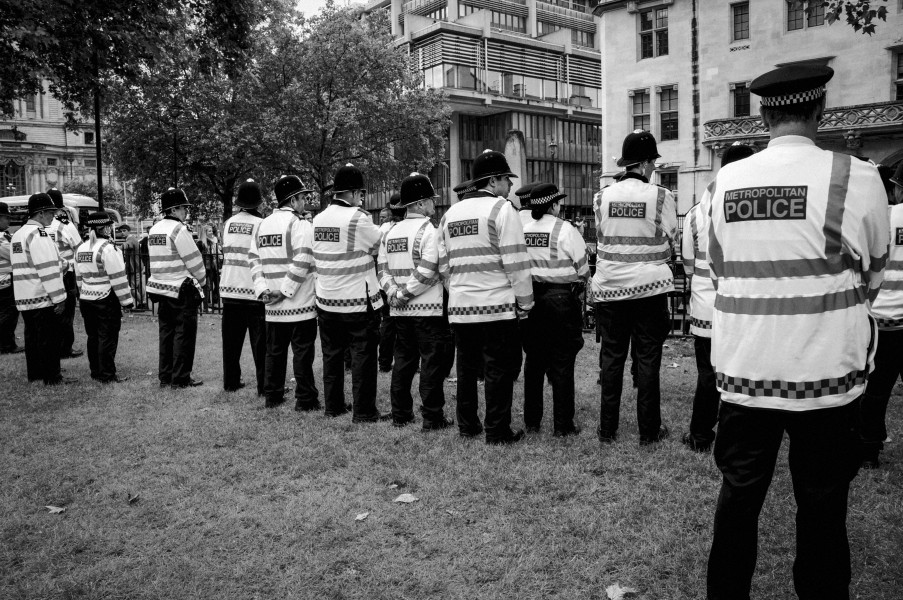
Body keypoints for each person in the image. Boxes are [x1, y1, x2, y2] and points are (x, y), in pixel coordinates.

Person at [704, 65, 888, 600]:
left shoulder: (723, 183)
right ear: (819, 112)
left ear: (763, 115)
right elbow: (874, 270)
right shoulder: (856, 175)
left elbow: (718, 268)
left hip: (745, 371)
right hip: (826, 375)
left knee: (739, 496)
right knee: (823, 502)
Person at [438, 149, 534, 445]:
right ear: (493, 181)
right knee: (497, 369)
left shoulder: (450, 214)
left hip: (461, 307)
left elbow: (442, 263)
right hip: (496, 306)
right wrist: (525, 302)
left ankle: (467, 425)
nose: (510, 185)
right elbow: (516, 262)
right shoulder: (502, 210)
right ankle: (497, 430)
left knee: (466, 368)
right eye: (506, 179)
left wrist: (457, 290)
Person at [591, 130, 676, 446]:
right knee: (648, 359)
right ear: (644, 163)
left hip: (610, 289)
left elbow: (602, 235)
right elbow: (671, 237)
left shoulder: (601, 197)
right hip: (650, 289)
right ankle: (649, 432)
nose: (654, 168)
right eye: (653, 162)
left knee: (612, 357)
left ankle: (607, 430)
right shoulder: (661, 196)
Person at [680, 143, 755, 453]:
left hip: (706, 307)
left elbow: (687, 263)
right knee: (745, 373)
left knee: (707, 374)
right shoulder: (755, 207)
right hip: (747, 307)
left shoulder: (697, 211)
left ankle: (700, 434)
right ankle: (738, 436)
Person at [379, 173, 454, 430]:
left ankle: (400, 414)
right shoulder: (430, 231)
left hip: (399, 312)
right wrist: (404, 294)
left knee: (403, 362)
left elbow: (382, 268)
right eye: (431, 199)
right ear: (420, 203)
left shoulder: (390, 232)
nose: (434, 203)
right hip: (428, 310)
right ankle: (432, 417)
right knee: (431, 364)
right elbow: (428, 269)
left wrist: (392, 293)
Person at [312, 163, 387, 422]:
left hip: (327, 299)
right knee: (363, 355)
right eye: (361, 194)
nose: (362, 199)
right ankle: (364, 411)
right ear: (354, 193)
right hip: (356, 300)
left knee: (332, 355)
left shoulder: (317, 220)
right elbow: (378, 244)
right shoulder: (358, 218)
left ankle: (333, 406)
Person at [521, 183, 589, 436]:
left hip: (532, 300)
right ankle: (563, 425)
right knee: (562, 362)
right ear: (552, 205)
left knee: (534, 362)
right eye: (558, 202)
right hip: (560, 300)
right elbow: (583, 268)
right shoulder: (565, 229)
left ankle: (532, 422)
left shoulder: (523, 230)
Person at [249, 175, 319, 410]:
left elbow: (253, 260)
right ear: (293, 199)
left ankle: (273, 396)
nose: (305, 202)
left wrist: (263, 290)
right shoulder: (299, 224)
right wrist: (285, 291)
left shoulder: (262, 225)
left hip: (273, 305)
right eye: (303, 198)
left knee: (274, 352)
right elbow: (303, 259)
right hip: (300, 303)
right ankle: (305, 399)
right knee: (302, 353)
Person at [858, 160, 903, 469]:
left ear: (897, 189)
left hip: (883, 320)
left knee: (875, 391)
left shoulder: (884, 218)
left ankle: (868, 450)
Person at [146, 187, 207, 388]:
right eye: (183, 208)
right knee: (184, 335)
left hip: (160, 288)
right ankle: (180, 378)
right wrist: (202, 281)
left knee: (166, 333)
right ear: (173, 209)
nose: (186, 211)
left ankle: (165, 376)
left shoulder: (154, 230)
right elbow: (194, 261)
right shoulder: (179, 230)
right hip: (181, 289)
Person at [10, 193, 72, 385]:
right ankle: (52, 376)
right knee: (49, 338)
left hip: (24, 295)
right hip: (41, 295)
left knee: (32, 337)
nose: (54, 216)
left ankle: (35, 373)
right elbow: (48, 269)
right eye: (51, 212)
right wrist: (59, 298)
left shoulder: (18, 234)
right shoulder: (39, 235)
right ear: (41, 213)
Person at [220, 179, 267, 395]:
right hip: (253, 291)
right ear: (258, 202)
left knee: (231, 342)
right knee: (261, 344)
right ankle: (264, 385)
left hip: (230, 289)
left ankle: (231, 382)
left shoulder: (228, 223)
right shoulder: (261, 224)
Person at [74, 211, 133, 382]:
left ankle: (96, 372)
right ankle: (107, 374)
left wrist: (83, 293)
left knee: (93, 336)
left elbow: (78, 277)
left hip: (86, 298)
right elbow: (118, 278)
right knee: (107, 337)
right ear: (105, 228)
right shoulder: (108, 248)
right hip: (106, 298)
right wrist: (126, 301)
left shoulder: (81, 248)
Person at [45, 187, 84, 358]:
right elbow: (79, 248)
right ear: (60, 208)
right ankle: (65, 348)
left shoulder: (40, 226)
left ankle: (52, 346)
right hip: (66, 273)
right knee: (67, 312)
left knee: (50, 311)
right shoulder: (64, 225)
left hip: (47, 274)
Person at [377, 198, 401, 373]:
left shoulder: (383, 229)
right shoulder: (405, 227)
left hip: (385, 282)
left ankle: (384, 362)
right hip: (404, 284)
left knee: (388, 322)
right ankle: (405, 362)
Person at [0, 202, 23, 354]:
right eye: (6, 218)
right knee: (8, 314)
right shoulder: (1, 238)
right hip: (5, 281)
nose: (9, 221)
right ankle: (6, 345)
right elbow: (14, 254)